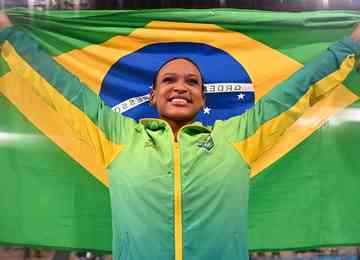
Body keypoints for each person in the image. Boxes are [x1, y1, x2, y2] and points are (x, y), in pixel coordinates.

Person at [1, 11, 360, 260]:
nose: (181, 87)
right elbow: (59, 87)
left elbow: (298, 89)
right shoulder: (116, 136)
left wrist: (350, 46)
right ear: (153, 96)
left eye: (192, 82)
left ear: (203, 98)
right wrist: (8, 36)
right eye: (168, 80)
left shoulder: (237, 138)